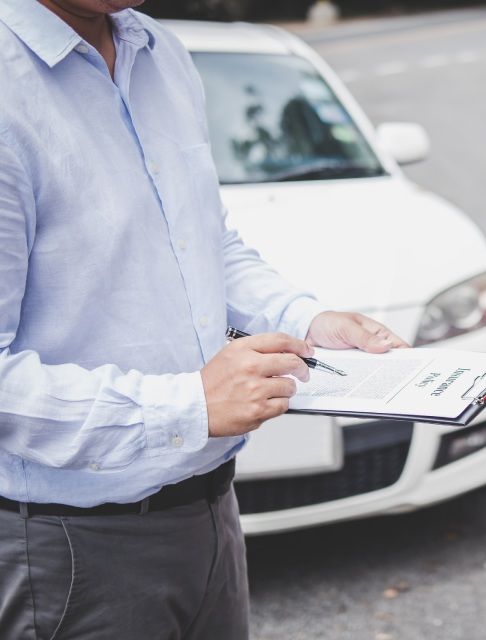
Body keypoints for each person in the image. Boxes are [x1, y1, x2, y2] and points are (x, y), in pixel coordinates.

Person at [0, 0, 408, 637]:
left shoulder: (159, 52)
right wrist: (188, 407)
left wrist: (305, 318)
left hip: (212, 505)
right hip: (71, 545)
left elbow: (202, 241)